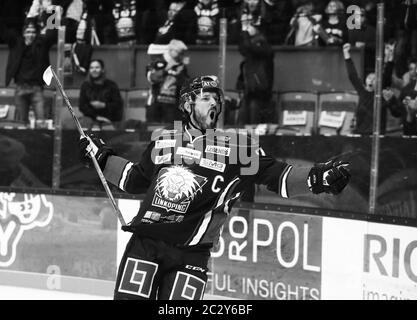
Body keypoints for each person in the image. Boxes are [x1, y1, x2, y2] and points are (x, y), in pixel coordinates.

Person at [78, 75, 351, 300]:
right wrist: (102, 158)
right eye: (206, 97)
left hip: (191, 254)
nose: (215, 103)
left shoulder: (237, 148)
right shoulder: (164, 140)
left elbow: (279, 176)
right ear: (187, 105)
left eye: (217, 99)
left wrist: (317, 178)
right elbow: (134, 179)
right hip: (145, 244)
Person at [3, 20, 56, 126]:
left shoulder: (41, 45)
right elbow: (5, 32)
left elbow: (52, 35)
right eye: (28, 32)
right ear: (23, 34)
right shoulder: (16, 44)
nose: (30, 34)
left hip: (36, 88)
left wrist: (53, 15)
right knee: (22, 123)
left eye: (33, 32)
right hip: (21, 88)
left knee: (41, 122)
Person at [342, 43, 399, 135]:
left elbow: (388, 72)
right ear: (365, 81)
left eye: (374, 78)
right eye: (369, 77)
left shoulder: (381, 93)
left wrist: (390, 54)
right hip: (361, 133)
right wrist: (346, 54)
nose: (371, 80)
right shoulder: (362, 91)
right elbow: (352, 75)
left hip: (377, 135)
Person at [236, 23, 274, 125]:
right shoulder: (248, 59)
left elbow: (248, 47)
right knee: (242, 114)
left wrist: (245, 33)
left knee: (253, 112)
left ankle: (254, 138)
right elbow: (243, 48)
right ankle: (239, 137)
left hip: (260, 92)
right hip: (249, 91)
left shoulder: (264, 47)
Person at [146, 39, 189, 123]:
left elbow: (184, 85)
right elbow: (152, 78)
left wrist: (180, 75)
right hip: (156, 104)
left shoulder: (181, 66)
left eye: (182, 53)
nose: (181, 56)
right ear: (171, 51)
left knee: (174, 132)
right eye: (179, 53)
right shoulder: (157, 62)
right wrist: (167, 68)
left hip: (173, 107)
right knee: (152, 131)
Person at [79, 59, 124, 129]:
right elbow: (82, 106)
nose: (94, 70)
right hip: (90, 118)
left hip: (109, 118)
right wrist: (96, 117)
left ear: (102, 70)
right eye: (91, 68)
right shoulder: (85, 86)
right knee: (84, 126)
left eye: (97, 67)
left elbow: (118, 105)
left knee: (107, 130)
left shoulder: (111, 85)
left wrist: (104, 105)